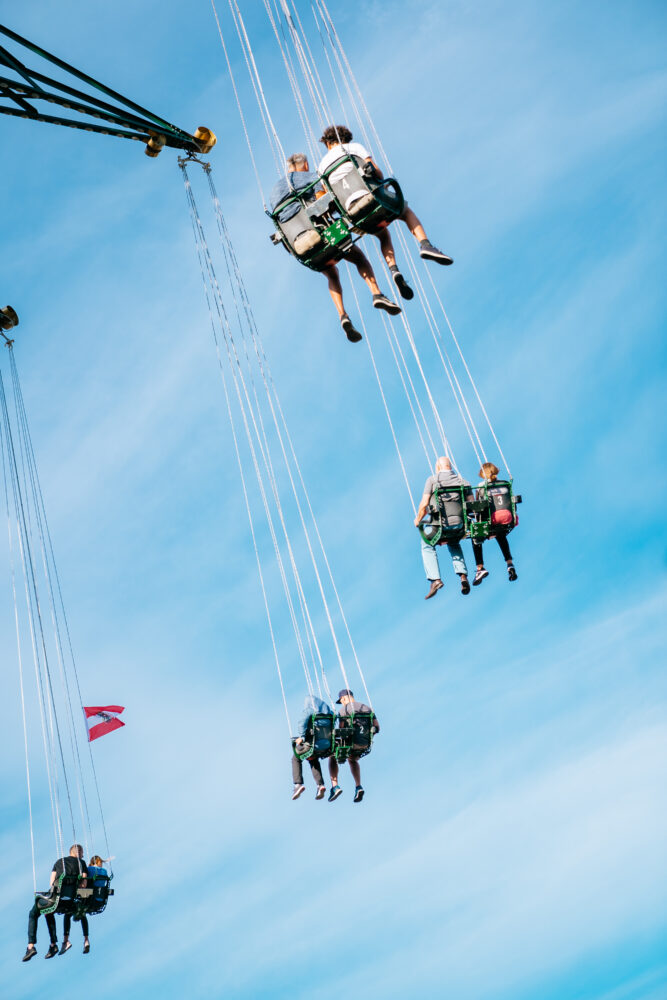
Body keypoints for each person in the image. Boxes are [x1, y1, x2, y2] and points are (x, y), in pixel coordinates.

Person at [269, 153, 401, 343]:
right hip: (321, 235)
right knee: (359, 259)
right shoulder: (307, 177)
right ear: (304, 165)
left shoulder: (273, 193)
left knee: (331, 273)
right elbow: (324, 199)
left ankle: (343, 316)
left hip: (300, 247)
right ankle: (377, 293)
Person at [317, 125, 453, 300]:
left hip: (352, 212)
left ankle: (394, 270)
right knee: (404, 211)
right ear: (345, 138)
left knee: (383, 235)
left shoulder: (321, 167)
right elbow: (376, 171)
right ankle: (426, 245)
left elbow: (328, 197)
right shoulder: (354, 147)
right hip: (370, 198)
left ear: (328, 143)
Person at [414, 456, 472, 599]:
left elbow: (424, 503)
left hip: (441, 526)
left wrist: (418, 519)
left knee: (426, 543)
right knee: (454, 541)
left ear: (438, 468)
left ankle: (435, 579)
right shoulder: (463, 482)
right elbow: (472, 505)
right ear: (450, 467)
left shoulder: (432, 480)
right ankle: (463, 577)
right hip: (460, 525)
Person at [23, 844, 88, 962]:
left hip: (55, 899)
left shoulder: (58, 862)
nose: (83, 856)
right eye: (82, 853)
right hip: (69, 902)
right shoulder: (81, 863)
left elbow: (52, 883)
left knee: (34, 913)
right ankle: (53, 945)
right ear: (78, 852)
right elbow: (84, 885)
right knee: (48, 912)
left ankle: (31, 946)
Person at [328, 689, 379, 803]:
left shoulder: (343, 710)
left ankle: (335, 786)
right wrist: (365, 736)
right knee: (353, 760)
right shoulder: (368, 708)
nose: (341, 703)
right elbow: (377, 727)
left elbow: (342, 730)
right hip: (365, 743)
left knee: (331, 754)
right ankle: (358, 786)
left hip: (351, 743)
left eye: (341, 701)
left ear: (344, 698)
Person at [472, 462, 518, 585]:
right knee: (500, 534)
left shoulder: (482, 486)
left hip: (492, 519)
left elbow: (478, 506)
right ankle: (509, 564)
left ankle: (480, 568)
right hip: (507, 517)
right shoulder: (505, 484)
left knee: (475, 536)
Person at [59, 854, 107, 955]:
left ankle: (66, 940)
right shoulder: (104, 872)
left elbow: (85, 880)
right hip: (98, 900)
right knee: (83, 912)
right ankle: (86, 940)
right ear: (98, 862)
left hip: (88, 896)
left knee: (68, 912)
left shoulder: (89, 869)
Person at [291, 694, 333, 800]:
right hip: (327, 745)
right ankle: (320, 785)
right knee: (313, 758)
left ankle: (298, 784)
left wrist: (302, 737)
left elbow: (302, 723)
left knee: (296, 757)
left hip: (313, 745)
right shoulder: (329, 713)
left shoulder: (309, 710)